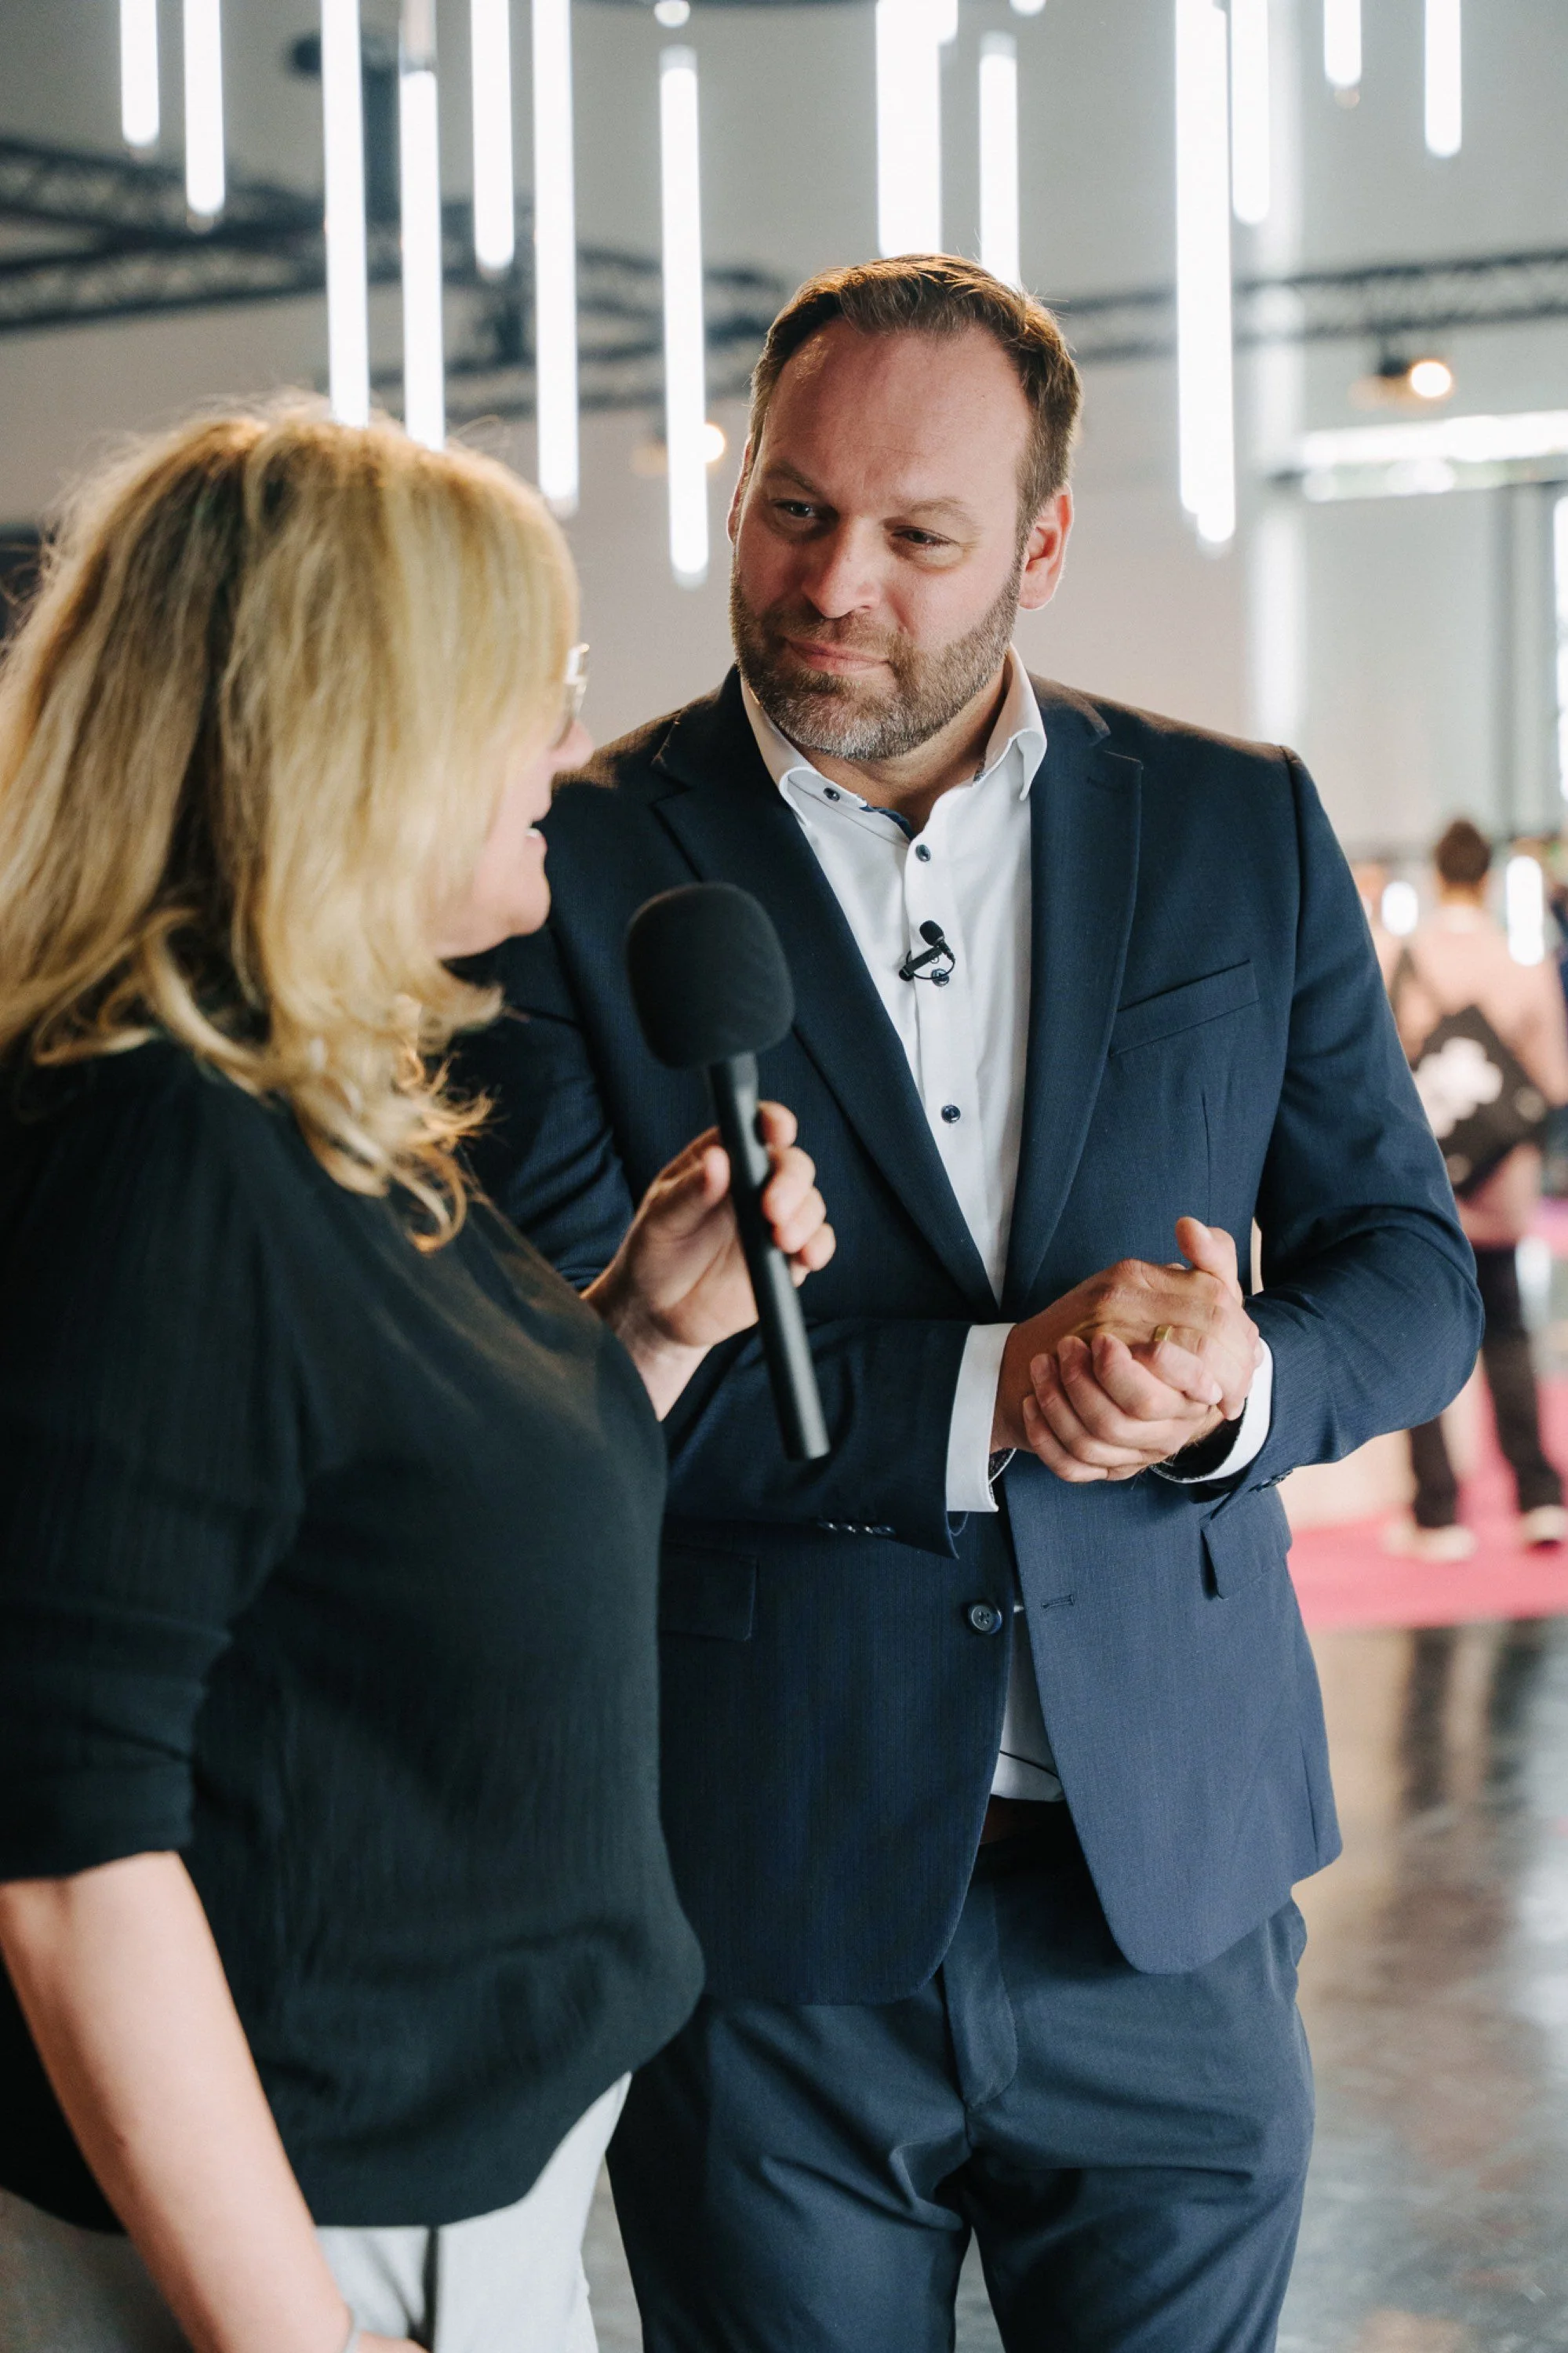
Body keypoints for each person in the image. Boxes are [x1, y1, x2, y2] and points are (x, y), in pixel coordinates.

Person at [454, 257, 1482, 2353]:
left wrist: (1238, 1380)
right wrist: (995, 1393)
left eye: (916, 537)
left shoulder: (1237, 825)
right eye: (789, 509)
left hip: (1173, 1893)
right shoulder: (557, 864)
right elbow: (546, 1380)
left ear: (1039, 545)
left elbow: (1404, 1274)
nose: (831, 583)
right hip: (767, 1909)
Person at [0, 408, 833, 2353]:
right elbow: (65, 1844)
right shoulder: (166, 1151)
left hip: (444, 2206)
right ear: (354, 732)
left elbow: (363, 1554)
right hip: (307, 2241)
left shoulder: (307, 1104)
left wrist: (643, 1326)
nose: (568, 740)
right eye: (530, 686)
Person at [1384, 817, 1568, 1559]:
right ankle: (1538, 1498)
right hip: (1500, 1189)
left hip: (1422, 1186)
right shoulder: (1520, 966)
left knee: (1415, 1336)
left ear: (1437, 873)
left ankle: (1437, 1512)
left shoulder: (1399, 960)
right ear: (1486, 877)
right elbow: (1552, 1082)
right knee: (1509, 1330)